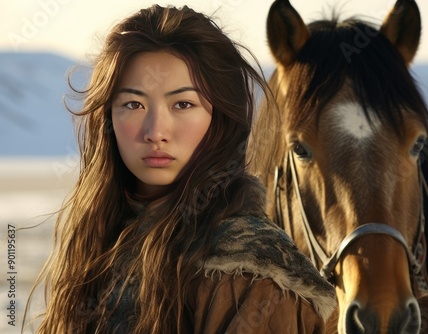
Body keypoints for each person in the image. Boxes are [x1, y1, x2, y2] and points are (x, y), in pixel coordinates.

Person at [27, 4, 335, 333]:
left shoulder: (250, 272)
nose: (156, 130)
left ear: (220, 118)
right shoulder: (99, 241)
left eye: (183, 104)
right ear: (108, 117)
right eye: (134, 104)